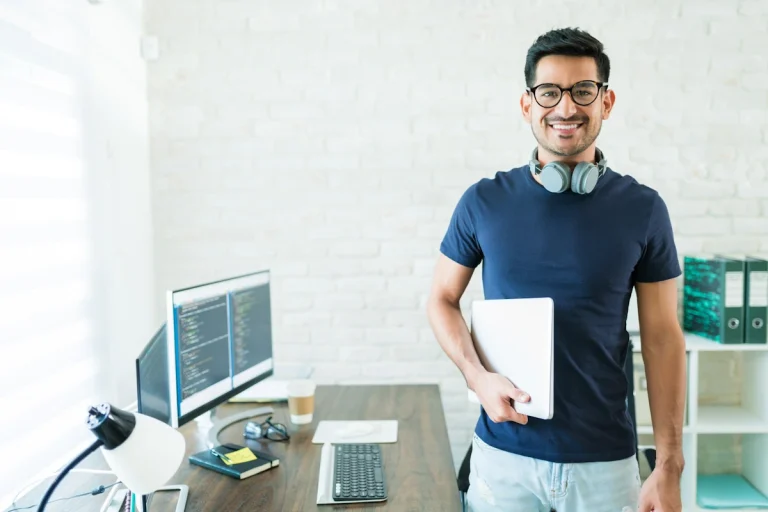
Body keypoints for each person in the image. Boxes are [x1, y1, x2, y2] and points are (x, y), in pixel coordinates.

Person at [426, 27, 687, 512]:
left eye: (583, 90)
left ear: (606, 101)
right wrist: (476, 376)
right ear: (527, 104)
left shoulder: (644, 209)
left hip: (605, 464)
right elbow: (441, 299)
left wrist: (669, 465)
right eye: (549, 92)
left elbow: (662, 337)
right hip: (503, 458)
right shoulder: (483, 201)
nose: (566, 107)